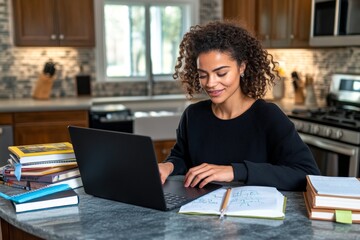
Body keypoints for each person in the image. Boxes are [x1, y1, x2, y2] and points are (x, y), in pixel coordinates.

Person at [158, 20, 320, 191]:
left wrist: (236, 171)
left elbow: (307, 174)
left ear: (241, 67)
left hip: (255, 215)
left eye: (221, 73)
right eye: (203, 75)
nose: (211, 83)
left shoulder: (267, 116)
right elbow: (181, 157)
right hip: (201, 214)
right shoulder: (194, 115)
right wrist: (169, 166)